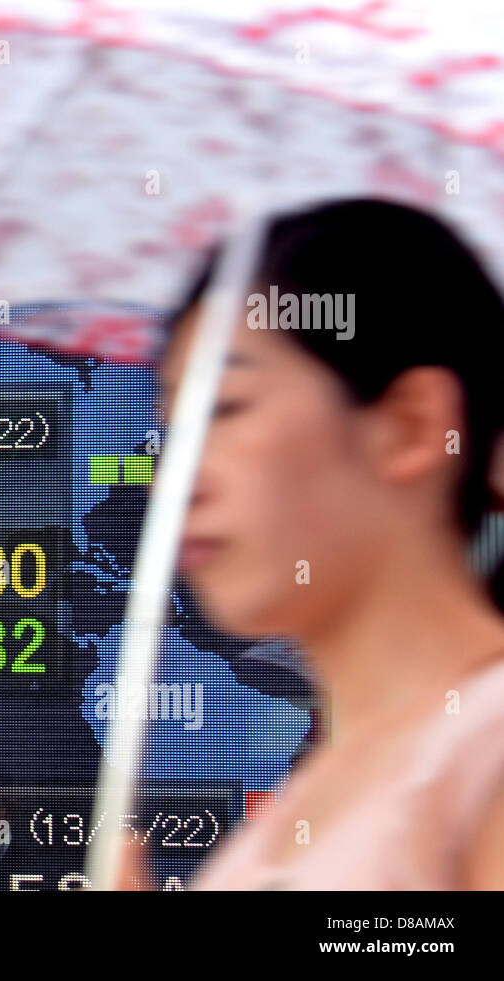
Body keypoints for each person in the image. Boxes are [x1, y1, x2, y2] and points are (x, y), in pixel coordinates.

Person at [157, 198, 504, 889]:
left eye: (225, 409)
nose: (176, 481)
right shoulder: (307, 800)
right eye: (171, 429)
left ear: (411, 425)